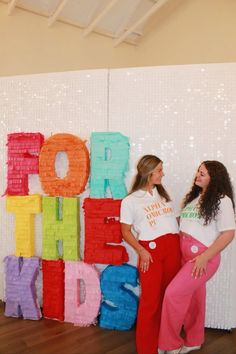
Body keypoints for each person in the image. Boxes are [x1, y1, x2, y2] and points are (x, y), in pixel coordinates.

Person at [158, 160, 236, 354]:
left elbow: (228, 233)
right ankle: (194, 340)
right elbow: (184, 223)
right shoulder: (195, 198)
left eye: (203, 173)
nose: (197, 176)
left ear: (214, 178)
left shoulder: (222, 199)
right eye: (198, 172)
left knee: (172, 294)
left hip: (202, 258)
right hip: (184, 254)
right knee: (194, 299)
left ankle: (170, 344)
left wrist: (204, 257)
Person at [120, 155, 181, 354]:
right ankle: (147, 349)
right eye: (159, 170)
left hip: (173, 247)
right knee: (150, 302)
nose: (163, 173)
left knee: (169, 299)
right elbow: (125, 231)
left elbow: (174, 221)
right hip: (151, 252)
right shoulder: (130, 201)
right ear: (148, 172)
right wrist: (141, 250)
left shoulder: (162, 193)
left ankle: (166, 343)